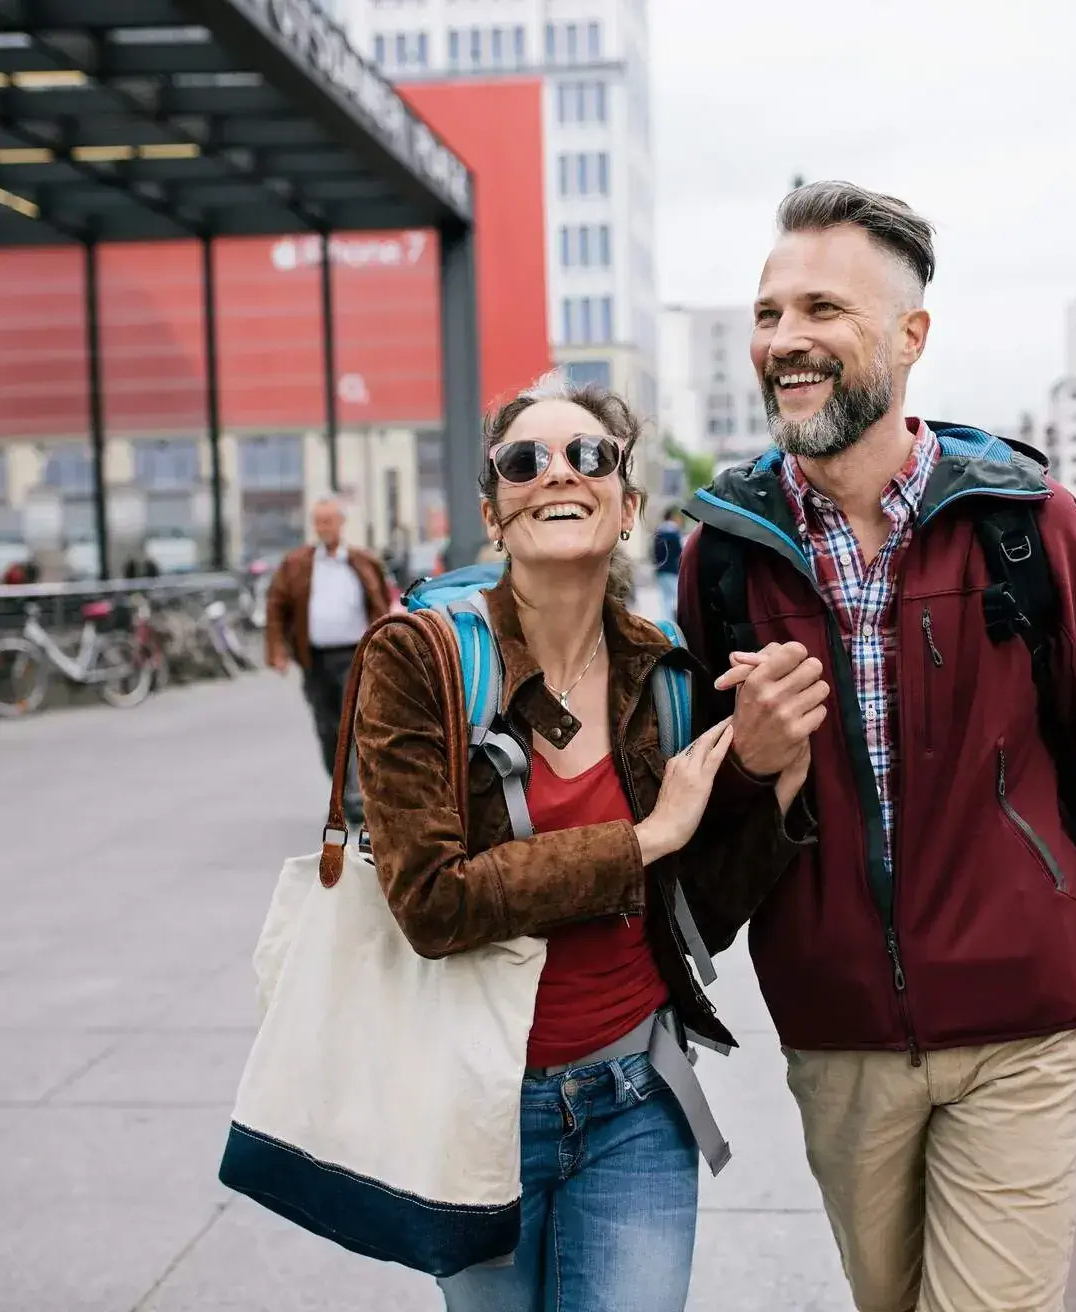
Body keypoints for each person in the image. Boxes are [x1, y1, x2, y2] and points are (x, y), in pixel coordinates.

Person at [676, 181, 1076, 1312]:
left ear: (911, 337)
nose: (785, 340)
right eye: (768, 314)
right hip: (840, 1040)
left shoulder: (1021, 521)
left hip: (1023, 1027)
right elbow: (696, 862)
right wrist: (759, 770)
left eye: (823, 308)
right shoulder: (725, 555)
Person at [354, 373, 825, 1310]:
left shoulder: (664, 671)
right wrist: (642, 837)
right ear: (494, 513)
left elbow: (699, 914)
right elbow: (434, 904)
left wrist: (775, 782)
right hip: (481, 1106)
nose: (557, 473)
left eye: (589, 456)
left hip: (636, 1103)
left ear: (627, 506)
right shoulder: (417, 659)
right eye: (524, 461)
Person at [265, 497, 391, 827]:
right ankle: (340, 792)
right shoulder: (297, 564)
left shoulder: (363, 561)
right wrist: (277, 650)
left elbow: (382, 604)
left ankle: (354, 796)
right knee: (328, 729)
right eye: (319, 522)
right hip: (315, 659)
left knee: (358, 726)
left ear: (341, 523)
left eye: (329, 521)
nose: (324, 528)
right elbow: (276, 606)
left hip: (355, 656)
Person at [651, 508, 684, 624]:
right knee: (674, 598)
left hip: (660, 570)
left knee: (664, 599)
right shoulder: (675, 533)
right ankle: (674, 623)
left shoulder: (658, 533)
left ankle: (666, 623)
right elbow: (679, 552)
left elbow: (653, 552)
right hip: (673, 570)